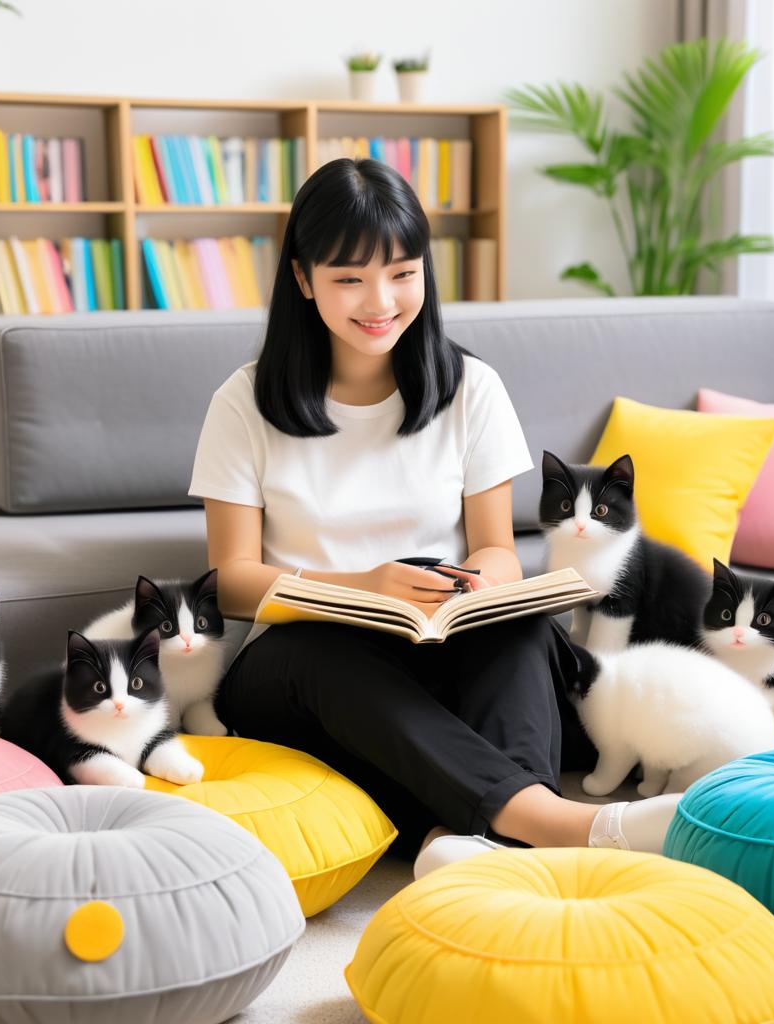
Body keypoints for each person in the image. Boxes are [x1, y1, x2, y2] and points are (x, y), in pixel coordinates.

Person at [188, 157, 680, 874]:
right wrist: (362, 586)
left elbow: (495, 549)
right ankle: (557, 821)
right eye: (349, 278)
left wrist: (475, 585)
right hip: (305, 663)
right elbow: (229, 581)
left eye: (402, 272)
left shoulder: (471, 388)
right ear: (303, 280)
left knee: (517, 622)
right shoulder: (245, 401)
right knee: (322, 653)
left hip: (439, 647)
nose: (380, 300)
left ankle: (459, 843)